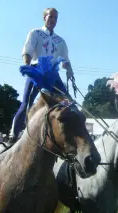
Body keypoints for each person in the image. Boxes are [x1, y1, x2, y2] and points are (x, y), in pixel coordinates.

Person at [9, 8, 74, 143]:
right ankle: (13, 135)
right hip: (37, 69)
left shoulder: (60, 40)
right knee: (27, 102)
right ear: (44, 18)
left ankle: (70, 134)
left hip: (53, 73)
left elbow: (65, 60)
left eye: (56, 18)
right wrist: (27, 66)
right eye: (50, 17)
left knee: (67, 101)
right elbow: (27, 50)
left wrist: (69, 71)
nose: (53, 20)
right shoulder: (35, 33)